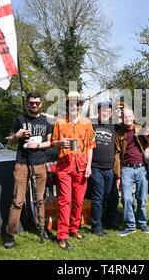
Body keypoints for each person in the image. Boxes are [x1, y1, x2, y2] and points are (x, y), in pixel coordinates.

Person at [4, 92, 53, 249]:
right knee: (18, 201)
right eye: (31, 103)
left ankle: (41, 229)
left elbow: (50, 142)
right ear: (27, 103)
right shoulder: (19, 120)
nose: (34, 105)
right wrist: (17, 135)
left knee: (40, 200)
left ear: (41, 103)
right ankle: (10, 234)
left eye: (37, 103)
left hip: (40, 164)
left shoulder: (47, 120)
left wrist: (37, 145)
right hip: (22, 164)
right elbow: (10, 142)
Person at [51, 91, 96, 250]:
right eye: (70, 103)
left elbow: (90, 146)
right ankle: (62, 235)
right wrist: (60, 143)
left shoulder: (87, 123)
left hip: (82, 167)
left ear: (80, 105)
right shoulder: (60, 122)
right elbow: (53, 142)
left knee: (78, 201)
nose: (74, 106)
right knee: (65, 201)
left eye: (77, 103)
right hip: (64, 166)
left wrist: (89, 165)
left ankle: (74, 228)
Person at [114, 108, 149, 236]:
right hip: (126, 169)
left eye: (129, 116)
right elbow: (117, 155)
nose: (127, 119)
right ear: (122, 119)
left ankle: (142, 223)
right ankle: (130, 225)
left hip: (141, 169)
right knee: (126, 198)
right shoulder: (119, 134)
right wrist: (118, 174)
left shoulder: (141, 129)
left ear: (133, 116)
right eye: (125, 117)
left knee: (142, 198)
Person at [89, 101, 120, 236]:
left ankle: (109, 221)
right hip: (95, 168)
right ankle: (97, 226)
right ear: (98, 111)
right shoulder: (92, 124)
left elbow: (133, 126)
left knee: (109, 196)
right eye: (102, 110)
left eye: (108, 110)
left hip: (110, 169)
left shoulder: (115, 126)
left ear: (111, 112)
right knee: (98, 198)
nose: (105, 112)